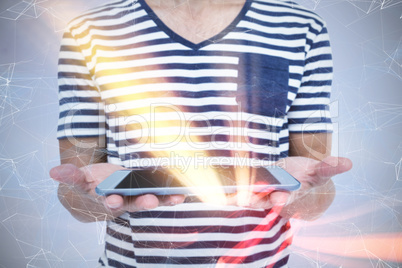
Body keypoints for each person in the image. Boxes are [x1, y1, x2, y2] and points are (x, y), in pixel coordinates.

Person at [50, 0, 352, 267]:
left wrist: (306, 191)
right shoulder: (89, 32)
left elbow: (318, 190)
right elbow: (76, 189)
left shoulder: (300, 28)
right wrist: (89, 196)